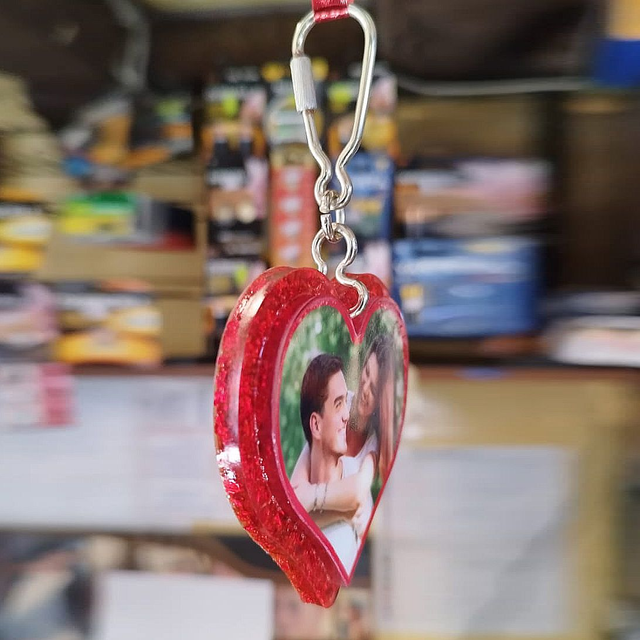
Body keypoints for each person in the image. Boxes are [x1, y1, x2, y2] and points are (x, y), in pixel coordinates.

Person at [291, 334, 397, 542]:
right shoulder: (337, 403)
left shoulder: (374, 443)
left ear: (382, 400)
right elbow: (295, 500)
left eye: (374, 389)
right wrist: (342, 512)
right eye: (366, 373)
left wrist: (314, 497)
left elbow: (357, 492)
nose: (365, 390)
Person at [295, 353, 358, 572]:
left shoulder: (357, 469)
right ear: (316, 425)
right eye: (339, 404)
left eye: (346, 403)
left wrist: (311, 498)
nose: (347, 415)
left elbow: (357, 495)